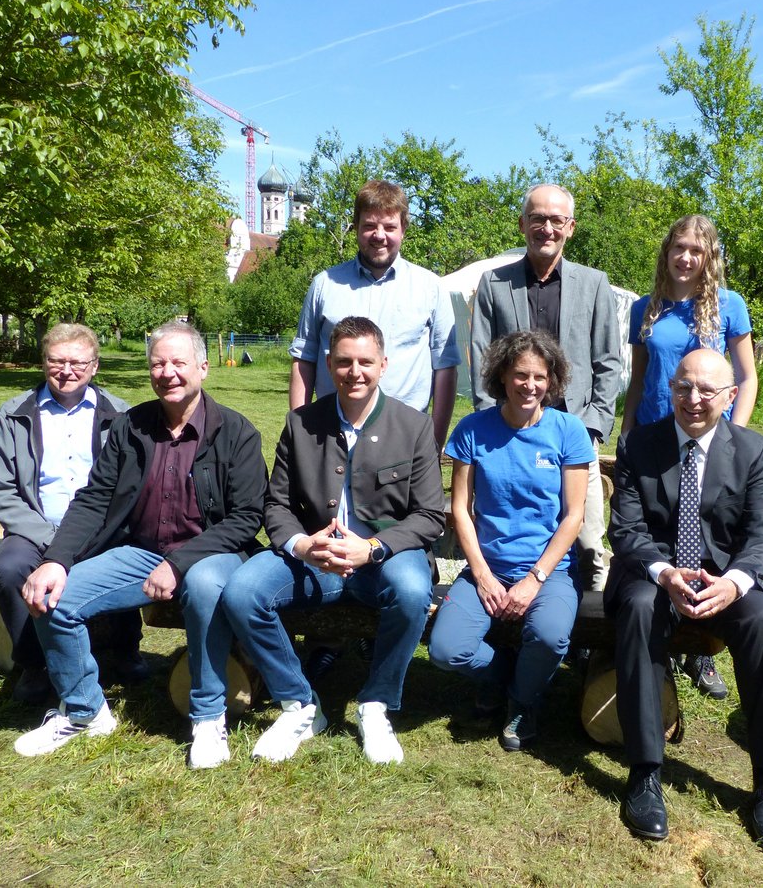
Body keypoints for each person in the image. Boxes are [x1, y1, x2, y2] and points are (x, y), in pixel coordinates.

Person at [13, 322, 267, 769]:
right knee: (54, 598)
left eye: (179, 363)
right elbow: (93, 498)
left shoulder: (236, 432)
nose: (168, 372)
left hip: (213, 553)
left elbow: (247, 516)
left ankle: (208, 718)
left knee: (205, 586)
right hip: (143, 552)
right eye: (158, 363)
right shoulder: (133, 426)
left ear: (203, 368)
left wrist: (182, 562)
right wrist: (56, 559)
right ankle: (84, 709)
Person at [222, 316, 445, 765]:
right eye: (344, 362)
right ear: (328, 364)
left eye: (365, 362)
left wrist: (373, 548)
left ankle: (376, 704)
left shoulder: (414, 426)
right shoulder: (301, 424)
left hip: (383, 559)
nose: (354, 372)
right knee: (242, 592)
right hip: (312, 560)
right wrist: (302, 545)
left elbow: (429, 515)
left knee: (413, 590)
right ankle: (299, 703)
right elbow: (277, 506)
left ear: (384, 364)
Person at [607, 348, 763, 851]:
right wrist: (665, 573)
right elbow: (625, 529)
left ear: (730, 396)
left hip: (725, 579)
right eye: (683, 386)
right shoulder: (638, 445)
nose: (693, 399)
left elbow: (762, 536)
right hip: (657, 573)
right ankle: (645, 773)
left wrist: (733, 582)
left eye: (707, 390)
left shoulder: (752, 450)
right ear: (670, 389)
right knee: (641, 607)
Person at [430, 330, 593, 750]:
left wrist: (535, 579)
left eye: (540, 376)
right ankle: (503, 676)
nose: (530, 385)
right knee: (446, 651)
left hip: (549, 570)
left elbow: (574, 516)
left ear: (552, 380)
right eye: (520, 375)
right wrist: (483, 576)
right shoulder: (472, 430)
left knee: (551, 635)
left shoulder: (568, 431)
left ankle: (523, 701)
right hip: (489, 566)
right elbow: (460, 510)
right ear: (501, 375)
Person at [622, 214, 760, 701]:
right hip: (656, 443)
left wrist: (732, 440)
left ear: (709, 257)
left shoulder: (729, 306)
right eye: (678, 247)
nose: (685, 257)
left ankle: (702, 649)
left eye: (696, 251)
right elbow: (638, 381)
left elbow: (746, 377)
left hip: (708, 441)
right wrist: (627, 435)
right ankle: (656, 641)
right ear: (667, 251)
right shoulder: (647, 307)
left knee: (706, 539)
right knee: (656, 537)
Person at [470, 183, 621, 594]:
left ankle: (589, 649)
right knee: (512, 540)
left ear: (571, 227)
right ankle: (511, 633)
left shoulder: (594, 284)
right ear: (523, 224)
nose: (547, 228)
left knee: (589, 543)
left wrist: (591, 428)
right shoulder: (493, 285)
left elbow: (609, 362)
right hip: (509, 436)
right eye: (538, 218)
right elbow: (482, 361)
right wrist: (493, 427)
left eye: (557, 220)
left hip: (573, 435)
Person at [0, 323, 144, 704]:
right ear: (43, 363)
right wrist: (50, 538)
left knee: (122, 555)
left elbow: (132, 487)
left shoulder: (122, 416)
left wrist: (100, 531)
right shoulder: (11, 416)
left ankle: (124, 649)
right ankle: (35, 664)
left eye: (77, 362)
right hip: (34, 528)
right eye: (56, 361)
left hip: (103, 529)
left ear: (95, 366)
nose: (66, 370)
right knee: (10, 568)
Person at [289, 179, 460, 448]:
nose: (379, 235)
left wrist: (434, 444)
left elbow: (445, 369)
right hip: (330, 436)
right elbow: (303, 361)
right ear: (355, 227)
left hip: (405, 438)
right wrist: (298, 433)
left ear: (404, 229)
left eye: (390, 226)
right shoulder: (325, 285)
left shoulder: (431, 287)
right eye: (369, 225)